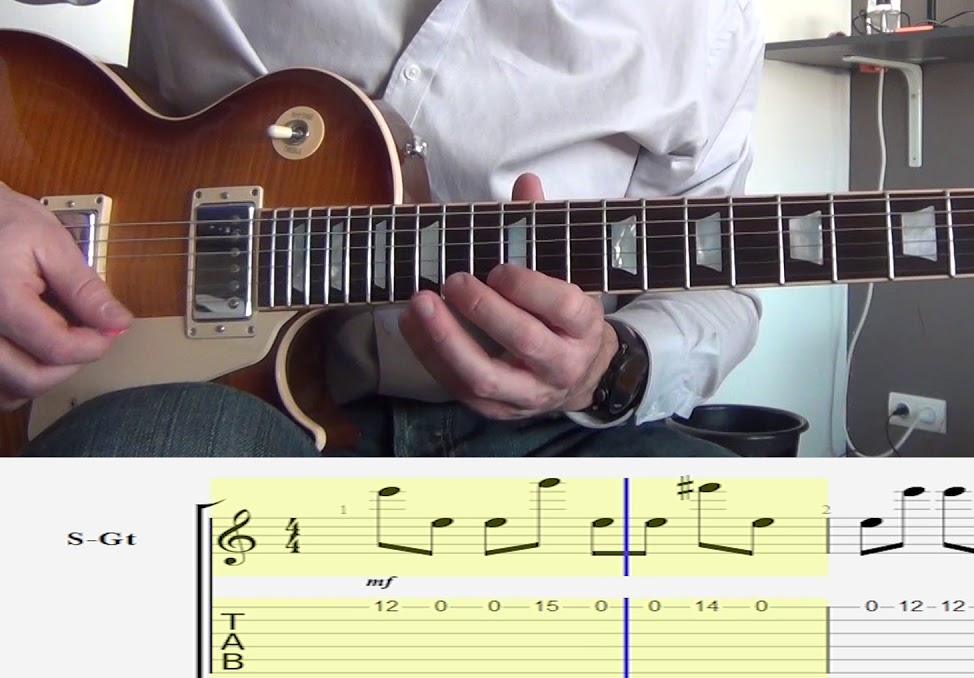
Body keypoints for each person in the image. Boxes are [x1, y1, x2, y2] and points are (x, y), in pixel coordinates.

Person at [2, 0, 765, 457]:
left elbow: (716, 279)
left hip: (556, 430)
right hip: (184, 392)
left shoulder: (707, 19)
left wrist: (608, 366)